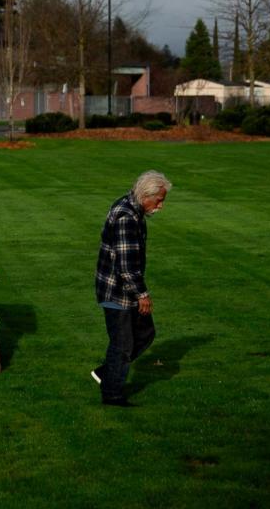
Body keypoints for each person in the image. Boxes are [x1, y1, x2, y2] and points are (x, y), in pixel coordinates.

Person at [92, 170, 172, 407]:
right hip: (117, 292)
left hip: (121, 289)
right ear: (146, 196)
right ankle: (112, 395)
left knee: (145, 334)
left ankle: (106, 373)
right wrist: (143, 295)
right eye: (159, 201)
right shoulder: (126, 217)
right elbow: (126, 267)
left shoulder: (131, 206)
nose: (160, 206)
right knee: (123, 345)